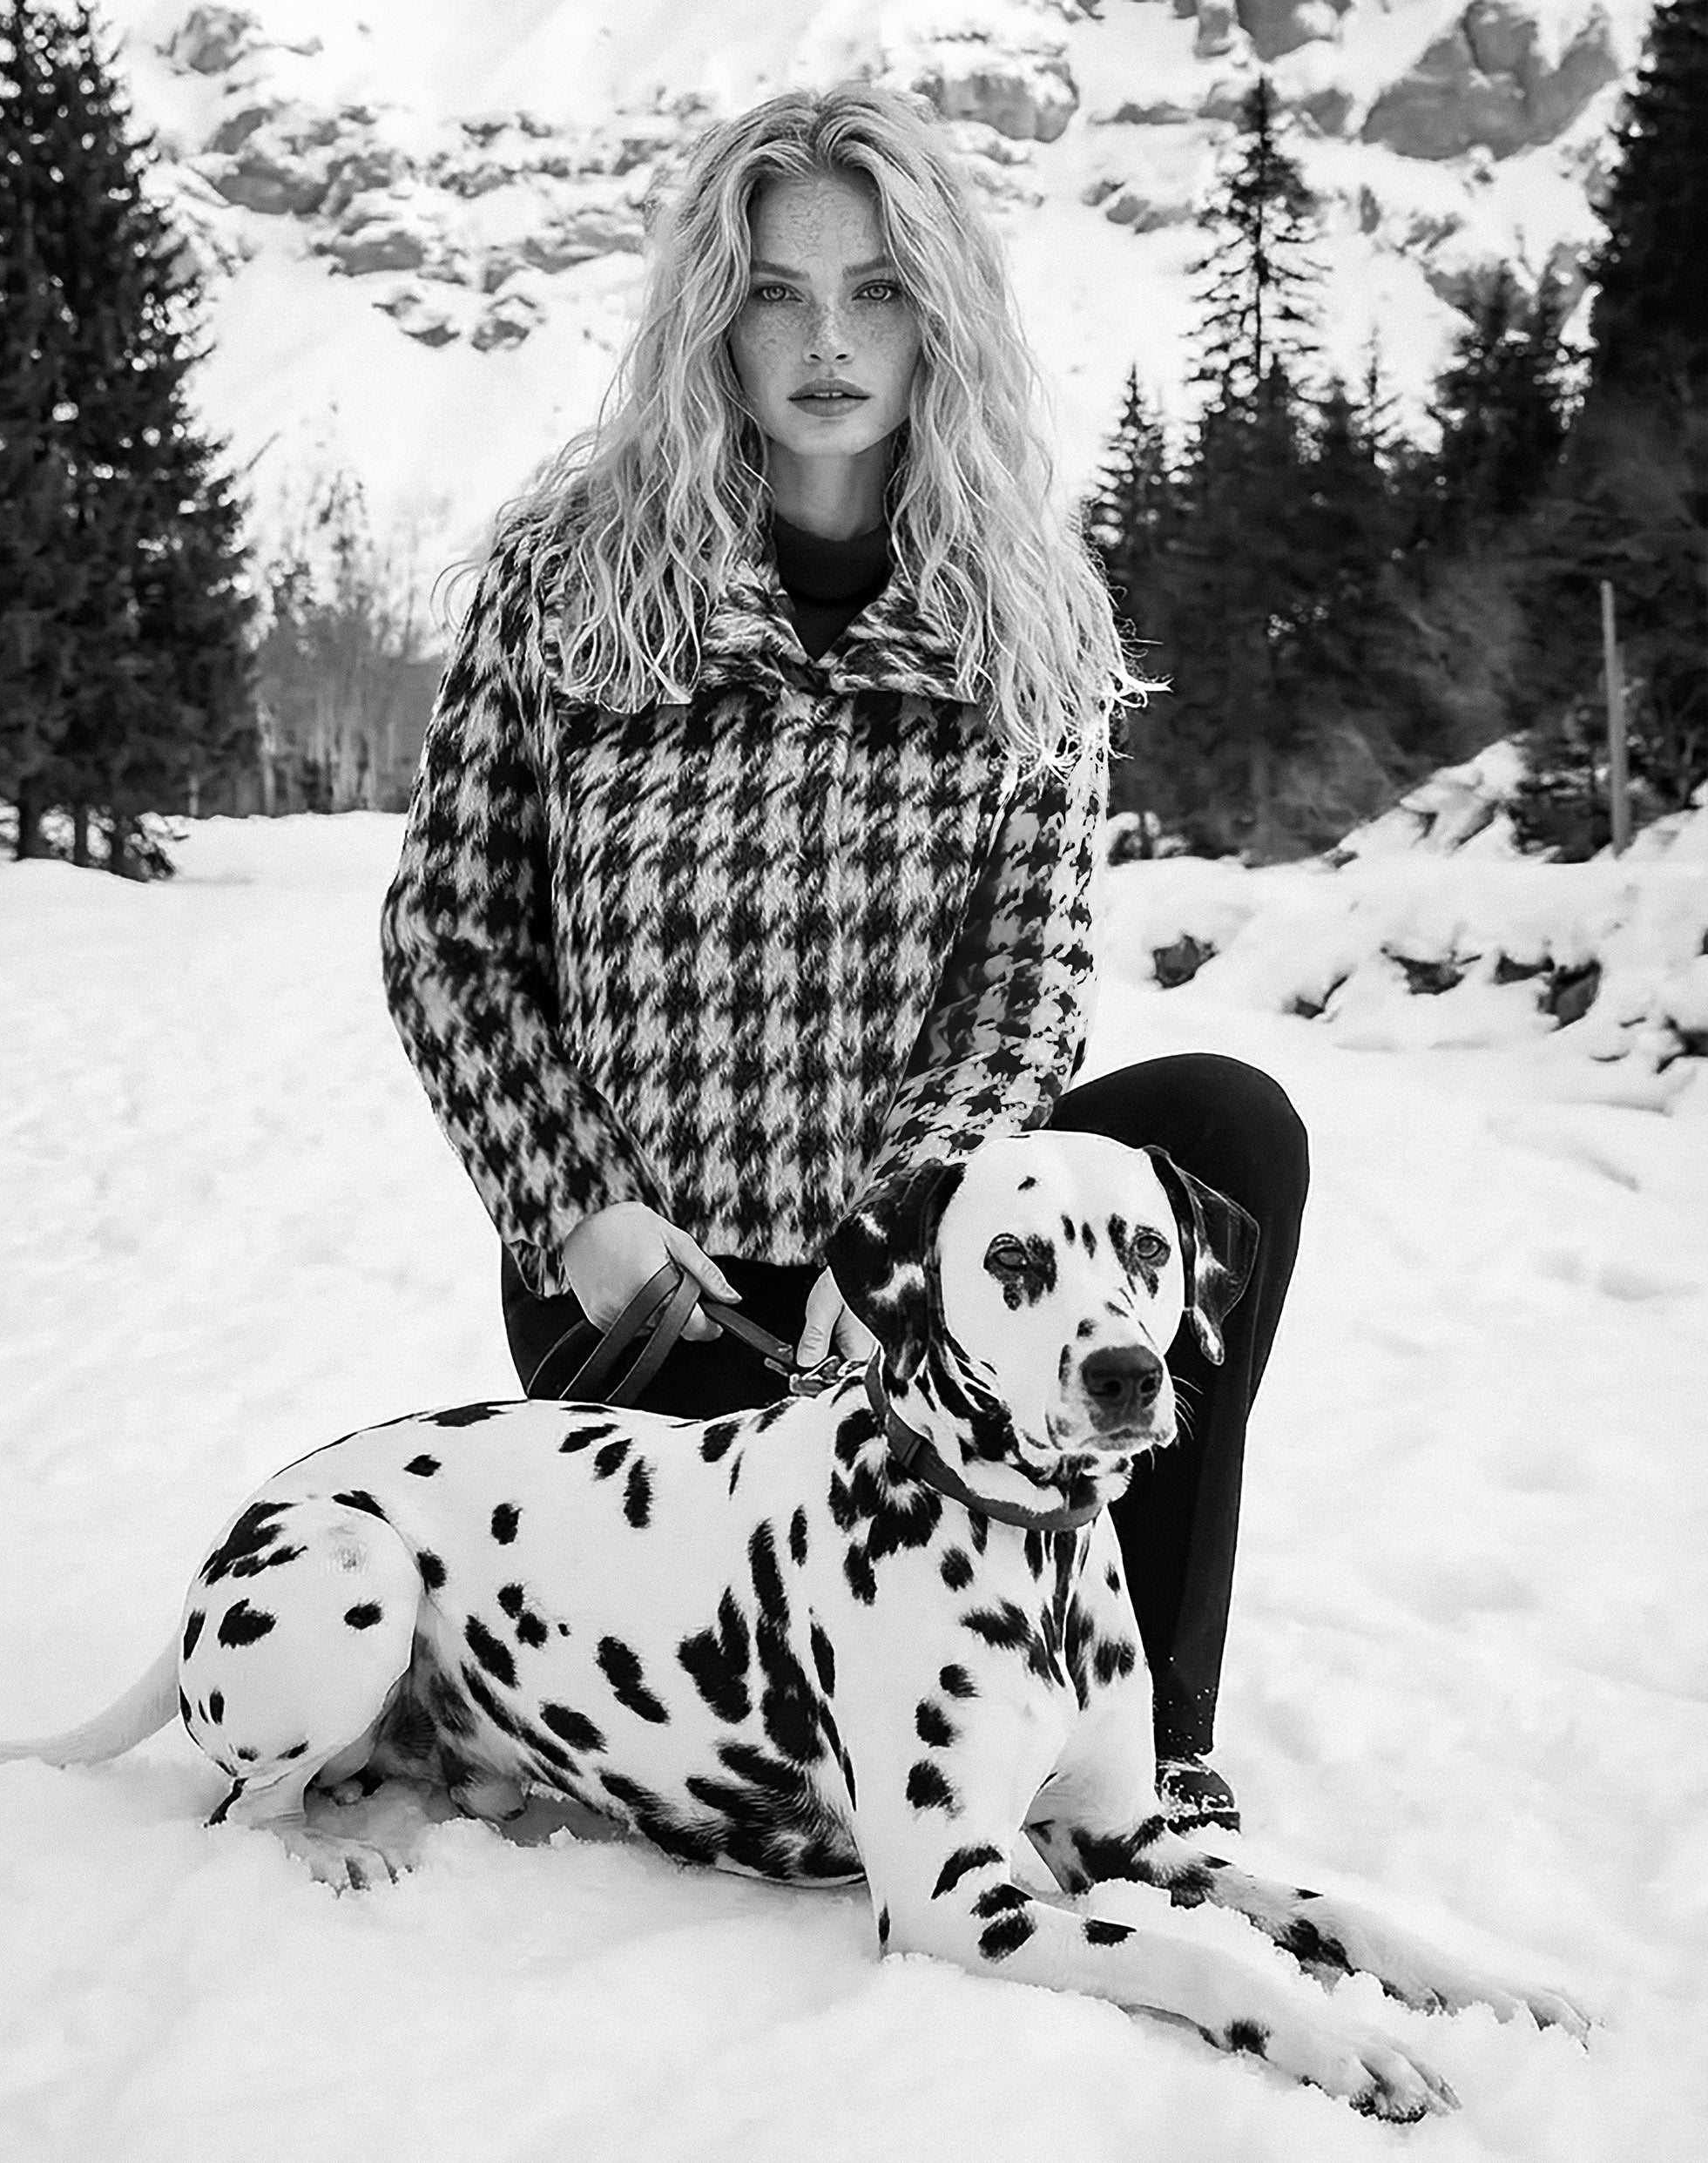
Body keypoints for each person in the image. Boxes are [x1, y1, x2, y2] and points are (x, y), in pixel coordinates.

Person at [379, 84, 1307, 1831]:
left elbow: (1028, 982)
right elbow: (447, 933)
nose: (826, 339)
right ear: (707, 318)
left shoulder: (1024, 603)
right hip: (657, 1300)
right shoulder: (568, 578)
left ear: (936, 311)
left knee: (1225, 1127)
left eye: (874, 290)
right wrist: (576, 1205)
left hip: (905, 1288)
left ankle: (1151, 1745)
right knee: (796, 1708)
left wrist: (897, 1249)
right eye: (776, 292)